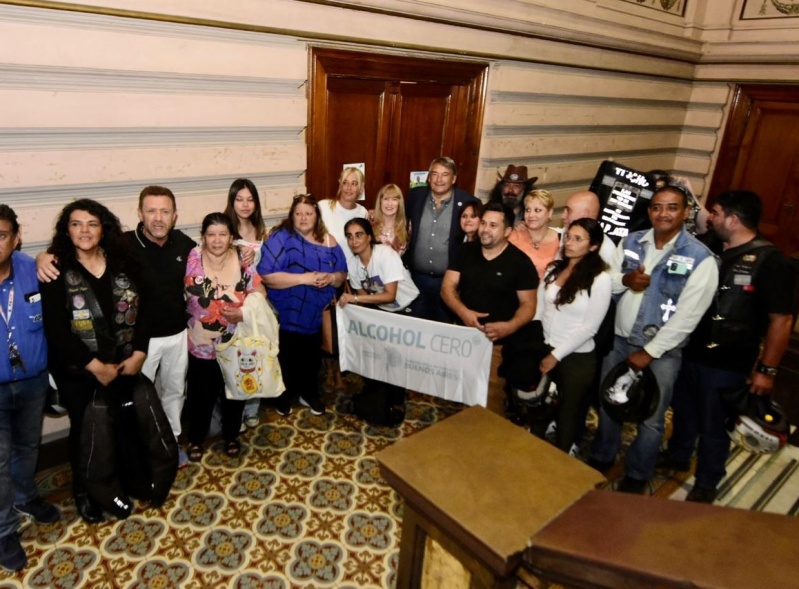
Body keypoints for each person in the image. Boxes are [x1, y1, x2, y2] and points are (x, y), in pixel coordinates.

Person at [37, 186, 196, 467]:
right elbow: (76, 248)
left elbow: (214, 256)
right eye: (151, 210)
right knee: (135, 404)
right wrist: (42, 257)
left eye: (165, 211)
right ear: (140, 213)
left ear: (175, 215)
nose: (158, 218)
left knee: (175, 392)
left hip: (177, 334)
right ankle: (141, 451)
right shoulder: (123, 246)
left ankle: (170, 443)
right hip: (139, 343)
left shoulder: (185, 244)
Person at [662, 191, 794, 503]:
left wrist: (766, 370)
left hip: (728, 362)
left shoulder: (771, 262)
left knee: (714, 424)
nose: (710, 218)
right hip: (690, 350)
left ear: (733, 220)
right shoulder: (711, 247)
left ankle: (707, 482)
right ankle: (678, 456)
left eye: (717, 213)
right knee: (684, 410)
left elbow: (782, 320)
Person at [588, 183, 719, 494]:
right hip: (618, 341)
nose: (663, 213)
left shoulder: (700, 258)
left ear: (686, 212)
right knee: (609, 401)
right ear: (649, 211)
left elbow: (688, 316)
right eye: (657, 207)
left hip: (662, 352)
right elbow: (606, 280)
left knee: (651, 416)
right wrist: (625, 279)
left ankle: (637, 472)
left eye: (672, 207)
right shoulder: (632, 241)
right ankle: (603, 455)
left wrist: (649, 352)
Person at [40, 199, 149, 523]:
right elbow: (56, 330)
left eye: (92, 224)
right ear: (67, 230)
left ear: (104, 229)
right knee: (87, 432)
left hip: (123, 364)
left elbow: (145, 309)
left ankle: (119, 483)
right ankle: (85, 492)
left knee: (120, 425)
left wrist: (139, 352)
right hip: (79, 371)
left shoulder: (123, 261)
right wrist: (95, 367)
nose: (84, 231)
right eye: (76, 224)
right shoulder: (56, 269)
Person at [0, 205, 59, 572]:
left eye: (1, 235)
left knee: (27, 446)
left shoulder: (32, 269)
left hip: (32, 382)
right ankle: (4, 529)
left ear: (16, 238)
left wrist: (42, 256)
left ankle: (25, 497)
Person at [441, 202, 539, 408]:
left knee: (489, 404)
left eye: (493, 225)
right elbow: (447, 288)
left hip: (498, 346)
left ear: (508, 231)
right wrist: (463, 312)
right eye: (484, 223)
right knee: (458, 397)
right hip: (463, 340)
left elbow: (529, 305)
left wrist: (510, 326)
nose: (485, 229)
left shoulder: (521, 263)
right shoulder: (465, 251)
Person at [184, 213, 264, 462]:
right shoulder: (192, 257)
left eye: (222, 234)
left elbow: (258, 290)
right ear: (203, 237)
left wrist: (244, 312)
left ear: (231, 237)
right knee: (200, 394)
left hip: (235, 340)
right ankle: (195, 439)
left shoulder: (242, 257)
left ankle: (231, 435)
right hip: (201, 343)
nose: (217, 240)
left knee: (234, 390)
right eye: (211, 234)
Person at [258, 196, 347, 416]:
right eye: (298, 213)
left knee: (311, 359)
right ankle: (282, 396)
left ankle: (309, 393)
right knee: (285, 359)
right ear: (292, 215)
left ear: (317, 216)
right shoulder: (280, 238)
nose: (303, 218)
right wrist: (304, 279)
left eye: (309, 213)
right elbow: (267, 276)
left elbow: (342, 275)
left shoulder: (329, 241)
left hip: (315, 316)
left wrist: (331, 277)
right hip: (285, 315)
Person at [536, 218, 611, 454]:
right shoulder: (553, 270)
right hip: (545, 346)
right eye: (568, 237)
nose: (569, 242)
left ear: (593, 246)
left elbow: (589, 328)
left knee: (567, 414)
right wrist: (537, 344)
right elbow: (539, 309)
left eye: (578, 239)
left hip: (576, 357)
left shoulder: (600, 279)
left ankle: (561, 463)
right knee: (538, 405)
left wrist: (555, 356)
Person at [338, 218, 420, 422]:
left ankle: (398, 402)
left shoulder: (385, 254)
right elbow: (363, 297)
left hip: (407, 307)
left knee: (397, 357)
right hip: (382, 310)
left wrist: (355, 299)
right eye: (349, 236)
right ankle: (378, 396)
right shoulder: (353, 263)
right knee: (379, 354)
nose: (354, 241)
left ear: (369, 237)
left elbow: (390, 295)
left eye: (359, 235)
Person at [405, 157, 479, 322]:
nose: (439, 179)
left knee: (442, 329)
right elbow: (400, 220)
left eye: (445, 175)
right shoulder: (415, 196)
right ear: (429, 177)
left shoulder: (468, 202)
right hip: (416, 280)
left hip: (449, 284)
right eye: (434, 174)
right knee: (414, 326)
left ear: (453, 179)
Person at [223, 178, 267, 430]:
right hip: (232, 301)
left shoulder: (261, 230)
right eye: (239, 199)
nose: (245, 204)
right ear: (232, 201)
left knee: (255, 354)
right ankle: (233, 412)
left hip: (256, 300)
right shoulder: (224, 228)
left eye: (250, 199)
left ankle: (252, 407)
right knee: (234, 357)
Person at [508, 189, 560, 280]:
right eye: (528, 210)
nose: (531, 215)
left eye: (537, 210)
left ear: (550, 213)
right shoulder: (513, 237)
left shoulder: (560, 240)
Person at [319, 167, 368, 260]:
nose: (349, 188)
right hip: (327, 266)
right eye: (345, 183)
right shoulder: (323, 207)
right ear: (340, 185)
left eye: (354, 183)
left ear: (361, 188)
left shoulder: (363, 212)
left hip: (353, 269)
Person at [561, 190, 616, 263]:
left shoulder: (607, 250)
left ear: (585, 215)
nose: (563, 216)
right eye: (568, 236)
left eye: (569, 211)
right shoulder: (561, 233)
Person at [371, 183, 410, 255]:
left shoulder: (407, 227)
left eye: (394, 199)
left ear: (399, 203)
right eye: (386, 199)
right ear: (380, 202)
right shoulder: (370, 225)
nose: (389, 203)